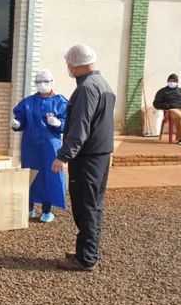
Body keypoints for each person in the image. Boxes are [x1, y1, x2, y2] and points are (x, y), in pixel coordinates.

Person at [51, 44, 116, 271]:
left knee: (86, 207)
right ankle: (86, 251)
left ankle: (85, 259)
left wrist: (63, 156)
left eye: (69, 63)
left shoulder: (87, 88)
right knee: (93, 205)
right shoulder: (103, 84)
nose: (68, 67)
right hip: (99, 155)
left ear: (76, 64)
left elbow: (80, 126)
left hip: (87, 158)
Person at [10, 68, 68, 222]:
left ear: (52, 82)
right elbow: (20, 120)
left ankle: (47, 210)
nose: (42, 84)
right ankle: (28, 208)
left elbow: (68, 122)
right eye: (39, 82)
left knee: (50, 175)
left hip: (50, 147)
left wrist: (59, 123)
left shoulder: (60, 102)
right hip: (30, 146)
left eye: (46, 81)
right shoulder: (28, 102)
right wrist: (16, 124)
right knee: (30, 176)